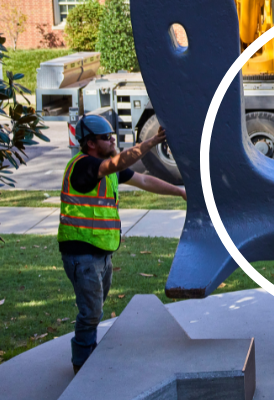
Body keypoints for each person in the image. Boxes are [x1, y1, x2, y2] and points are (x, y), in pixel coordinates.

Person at [60, 113, 187, 372]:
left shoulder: (107, 168)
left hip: (101, 253)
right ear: (90, 143)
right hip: (82, 254)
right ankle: (82, 364)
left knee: (95, 307)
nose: (112, 140)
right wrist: (151, 143)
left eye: (112, 136)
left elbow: (144, 180)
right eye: (106, 138)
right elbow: (118, 162)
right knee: (90, 312)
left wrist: (179, 191)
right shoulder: (85, 166)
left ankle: (88, 353)